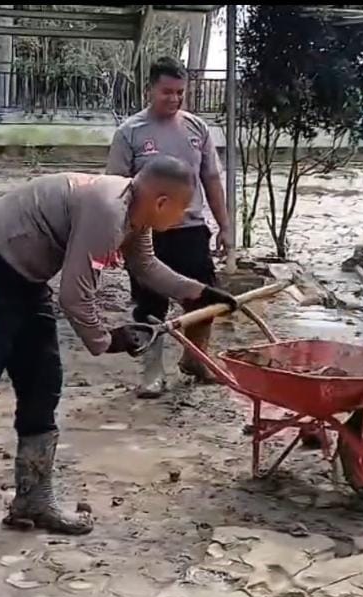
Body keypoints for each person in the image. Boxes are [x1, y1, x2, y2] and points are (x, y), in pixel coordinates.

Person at [0, 157, 238, 585]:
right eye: (181, 209)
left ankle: (33, 499)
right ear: (162, 200)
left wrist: (199, 293)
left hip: (25, 280)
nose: (182, 218)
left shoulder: (135, 210)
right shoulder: (110, 210)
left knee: (42, 385)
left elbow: (145, 268)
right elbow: (75, 296)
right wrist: (106, 340)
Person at [106, 56, 231, 398]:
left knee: (205, 299)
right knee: (150, 305)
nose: (174, 99)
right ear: (149, 89)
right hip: (146, 232)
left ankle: (195, 359)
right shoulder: (130, 133)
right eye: (167, 92)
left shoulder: (197, 129)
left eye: (180, 93)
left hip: (190, 229)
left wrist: (225, 225)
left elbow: (211, 179)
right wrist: (117, 236)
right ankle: (152, 371)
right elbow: (115, 188)